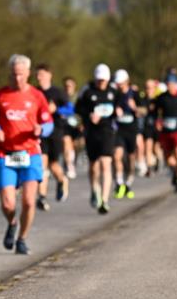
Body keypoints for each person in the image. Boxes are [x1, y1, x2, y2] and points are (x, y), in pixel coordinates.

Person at [0, 55, 53, 255]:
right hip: (6, 154)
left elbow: (48, 122)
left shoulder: (37, 96)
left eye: (21, 74)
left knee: (29, 201)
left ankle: (22, 238)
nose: (18, 79)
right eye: (14, 75)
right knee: (7, 202)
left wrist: (42, 130)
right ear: (9, 74)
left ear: (28, 74)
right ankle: (12, 222)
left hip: (30, 153)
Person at [75, 64, 118, 214]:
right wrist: (88, 116)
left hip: (107, 131)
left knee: (106, 164)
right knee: (94, 166)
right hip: (92, 132)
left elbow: (119, 107)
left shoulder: (113, 91)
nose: (101, 83)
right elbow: (77, 108)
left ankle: (105, 200)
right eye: (99, 80)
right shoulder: (87, 91)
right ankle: (95, 189)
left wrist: (118, 111)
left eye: (104, 80)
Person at [34, 64, 70, 208]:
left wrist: (56, 109)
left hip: (55, 131)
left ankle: (62, 180)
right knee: (42, 163)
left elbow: (70, 109)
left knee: (53, 164)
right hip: (40, 132)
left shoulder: (58, 92)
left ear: (49, 75)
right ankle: (42, 197)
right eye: (37, 75)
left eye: (41, 74)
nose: (39, 78)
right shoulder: (34, 92)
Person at [112, 69, 139, 200]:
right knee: (117, 156)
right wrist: (114, 111)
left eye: (121, 84)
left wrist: (135, 108)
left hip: (132, 130)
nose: (119, 86)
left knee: (131, 158)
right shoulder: (115, 95)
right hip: (119, 130)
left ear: (126, 82)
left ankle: (128, 183)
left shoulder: (135, 94)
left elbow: (145, 111)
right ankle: (119, 183)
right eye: (118, 84)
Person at [60, 76, 81, 179]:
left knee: (75, 146)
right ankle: (69, 165)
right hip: (65, 126)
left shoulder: (78, 98)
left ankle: (70, 161)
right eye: (66, 86)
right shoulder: (60, 98)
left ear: (74, 86)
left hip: (77, 126)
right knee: (66, 142)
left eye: (70, 86)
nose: (68, 88)